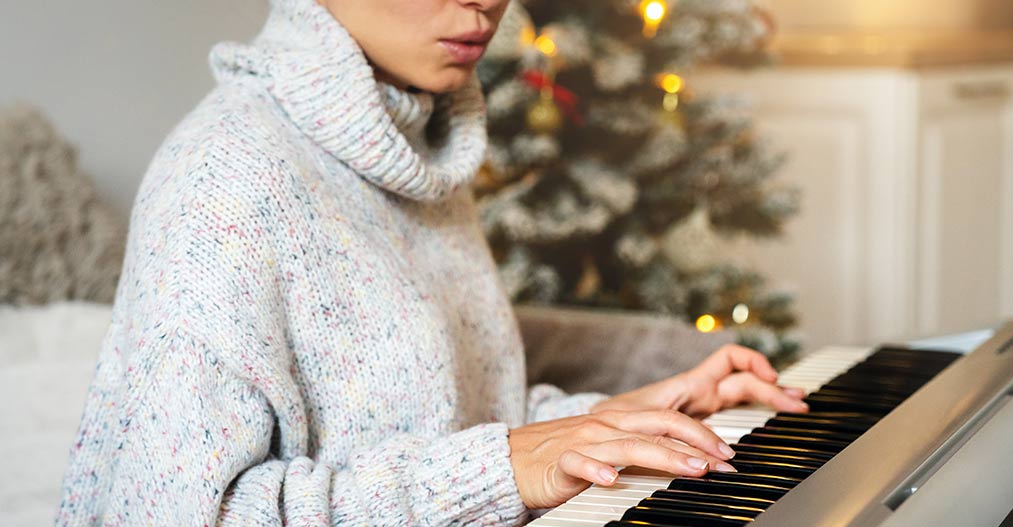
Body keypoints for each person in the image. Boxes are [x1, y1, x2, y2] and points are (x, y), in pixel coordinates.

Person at [54, 0, 808, 525]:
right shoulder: (226, 174)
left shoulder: (419, 144)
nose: (486, 3)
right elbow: (173, 513)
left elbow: (457, 425)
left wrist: (617, 420)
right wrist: (501, 468)